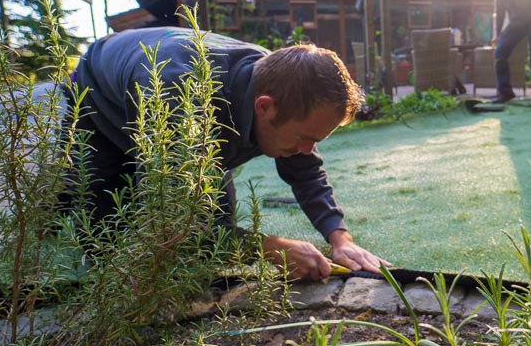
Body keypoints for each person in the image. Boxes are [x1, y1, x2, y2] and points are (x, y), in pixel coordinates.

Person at [68, 27, 389, 281]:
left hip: (193, 129)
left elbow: (305, 171)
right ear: (264, 107)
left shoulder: (281, 83)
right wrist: (270, 248)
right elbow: (174, 217)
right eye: (306, 138)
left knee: (216, 231)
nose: (308, 150)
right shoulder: (179, 97)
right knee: (110, 245)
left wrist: (340, 237)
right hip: (99, 100)